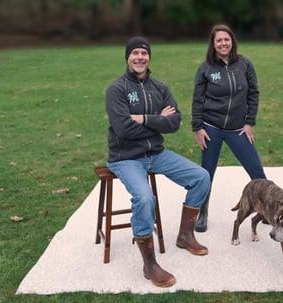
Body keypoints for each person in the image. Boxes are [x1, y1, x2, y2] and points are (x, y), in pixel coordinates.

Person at [105, 36, 210, 287]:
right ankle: (149, 264)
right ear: (127, 57)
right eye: (135, 53)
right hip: (125, 157)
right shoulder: (116, 89)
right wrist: (157, 120)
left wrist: (142, 118)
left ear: (149, 57)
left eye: (144, 53)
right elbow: (123, 130)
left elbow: (174, 123)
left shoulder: (160, 88)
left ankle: (185, 236)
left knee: (201, 177)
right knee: (144, 198)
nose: (140, 57)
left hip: (156, 154)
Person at [191, 24, 266, 232]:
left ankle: (268, 209)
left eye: (226, 39)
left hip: (237, 129)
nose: (223, 43)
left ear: (232, 41)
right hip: (211, 127)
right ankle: (202, 213)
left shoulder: (244, 64)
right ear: (213, 44)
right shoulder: (206, 68)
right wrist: (198, 127)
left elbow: (253, 93)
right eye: (218, 40)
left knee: (257, 171)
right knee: (206, 173)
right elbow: (197, 100)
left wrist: (250, 122)